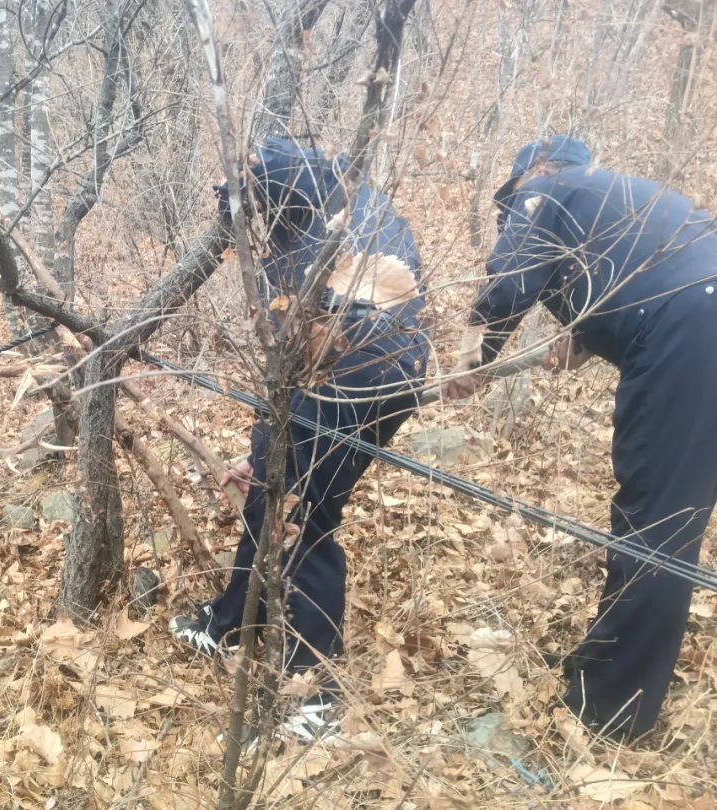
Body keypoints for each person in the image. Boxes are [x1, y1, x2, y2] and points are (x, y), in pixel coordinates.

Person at [443, 135, 717, 740]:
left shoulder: (544, 190)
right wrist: (587, 336)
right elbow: (644, 276)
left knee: (658, 522)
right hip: (696, 319)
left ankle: (610, 708)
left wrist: (470, 363)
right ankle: (616, 672)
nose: (510, 210)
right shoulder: (620, 200)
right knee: (676, 512)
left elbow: (504, 287)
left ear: (537, 169)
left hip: (691, 329)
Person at [169, 137, 430, 742]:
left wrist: (270, 446)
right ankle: (232, 620)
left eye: (251, 201)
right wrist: (260, 455)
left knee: (304, 517)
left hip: (353, 371)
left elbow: (297, 351)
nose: (250, 218)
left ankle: (316, 697)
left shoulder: (306, 218)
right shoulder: (350, 196)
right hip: (396, 372)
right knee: (278, 496)